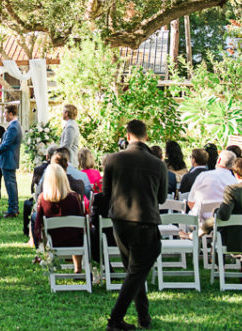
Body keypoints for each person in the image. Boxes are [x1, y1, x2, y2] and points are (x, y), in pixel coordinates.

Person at [102, 119, 167, 331]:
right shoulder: (158, 164)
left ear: (127, 135)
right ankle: (115, 320)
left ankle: (143, 316)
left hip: (119, 220)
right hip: (145, 220)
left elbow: (106, 193)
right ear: (146, 136)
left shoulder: (112, 159)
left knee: (134, 270)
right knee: (136, 271)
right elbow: (162, 197)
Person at [32, 163, 86, 273]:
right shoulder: (75, 197)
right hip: (75, 241)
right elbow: (81, 219)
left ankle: (45, 257)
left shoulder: (43, 198)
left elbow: (39, 222)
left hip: (53, 242)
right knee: (76, 232)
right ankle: (78, 267)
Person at [0, 103, 22, 218]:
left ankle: (13, 210)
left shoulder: (13, 127)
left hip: (8, 160)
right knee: (11, 184)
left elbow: (6, 145)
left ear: (11, 114)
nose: (4, 115)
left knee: (10, 185)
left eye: (5, 113)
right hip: (9, 159)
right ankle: (13, 208)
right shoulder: (15, 125)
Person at [187, 149, 239, 219]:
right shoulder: (234, 181)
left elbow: (190, 202)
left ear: (219, 160)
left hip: (199, 221)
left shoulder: (203, 176)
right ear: (232, 164)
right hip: (221, 223)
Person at [58, 104, 80, 168]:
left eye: (63, 111)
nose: (62, 113)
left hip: (70, 162)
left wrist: (55, 152)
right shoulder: (70, 124)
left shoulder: (71, 126)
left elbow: (67, 146)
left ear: (66, 113)